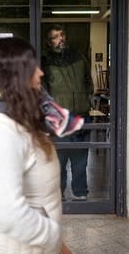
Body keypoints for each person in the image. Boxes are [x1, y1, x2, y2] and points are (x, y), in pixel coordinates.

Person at [0, 37, 67, 254]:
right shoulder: (0, 130)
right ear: (16, 75)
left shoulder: (15, 116)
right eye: (33, 68)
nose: (41, 73)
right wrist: (54, 237)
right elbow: (10, 215)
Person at [41, 24, 94, 201]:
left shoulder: (79, 57)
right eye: (55, 37)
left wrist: (88, 100)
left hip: (80, 116)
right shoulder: (45, 61)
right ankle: (59, 195)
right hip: (59, 120)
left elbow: (88, 82)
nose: (60, 39)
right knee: (59, 161)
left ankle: (80, 193)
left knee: (80, 160)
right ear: (49, 42)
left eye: (62, 35)